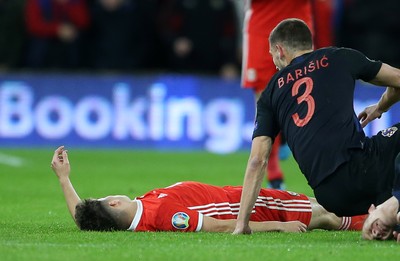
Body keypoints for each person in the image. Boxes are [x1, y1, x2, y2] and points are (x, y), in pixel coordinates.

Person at [233, 18, 400, 240]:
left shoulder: (270, 93)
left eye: (272, 54)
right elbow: (397, 79)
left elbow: (257, 161)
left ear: (280, 50)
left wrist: (242, 224)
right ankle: (392, 209)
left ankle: (389, 213)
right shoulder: (339, 56)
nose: (274, 61)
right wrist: (380, 107)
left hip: (331, 198)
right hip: (364, 169)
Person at [51, 146, 366, 233]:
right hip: (251, 207)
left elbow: (83, 216)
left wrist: (64, 179)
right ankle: (384, 220)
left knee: (326, 205)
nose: (111, 195)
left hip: (241, 195)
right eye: (107, 198)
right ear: (115, 205)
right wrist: (278, 227)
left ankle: (381, 212)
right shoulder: (165, 216)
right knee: (330, 214)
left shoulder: (144, 209)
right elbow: (222, 225)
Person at [241, 0, 315, 189]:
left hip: (298, 27)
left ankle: (284, 136)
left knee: (301, 91)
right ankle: (274, 173)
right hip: (263, 29)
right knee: (264, 101)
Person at [24, 0, 90, 69]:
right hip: (44, 37)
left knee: (76, 42)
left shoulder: (76, 2)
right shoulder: (37, 2)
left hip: (69, 36)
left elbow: (83, 22)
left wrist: (67, 5)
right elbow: (33, 25)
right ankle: (33, 72)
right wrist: (57, 29)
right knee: (39, 45)